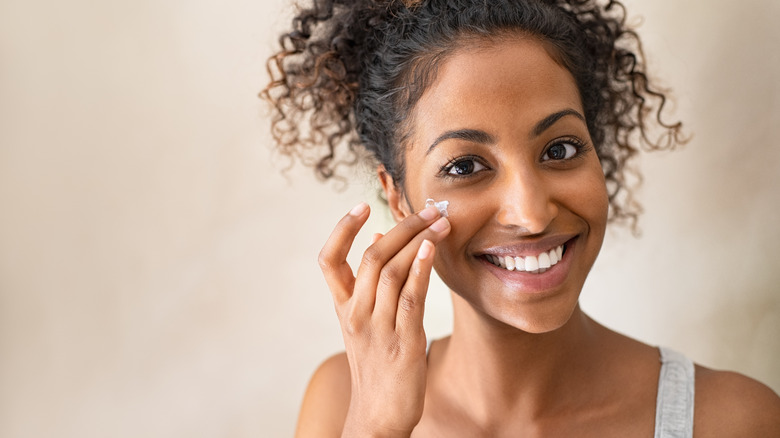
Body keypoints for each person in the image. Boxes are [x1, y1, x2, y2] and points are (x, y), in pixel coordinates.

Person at [263, 0, 780, 436]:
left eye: (560, 149)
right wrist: (375, 427)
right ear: (398, 198)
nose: (531, 214)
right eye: (465, 165)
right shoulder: (340, 404)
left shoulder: (731, 419)